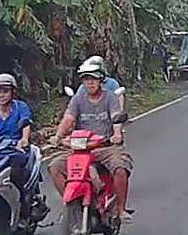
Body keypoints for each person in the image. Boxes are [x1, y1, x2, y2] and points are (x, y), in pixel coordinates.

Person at [50, 62, 134, 221]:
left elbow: (116, 117)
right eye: (86, 79)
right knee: (55, 167)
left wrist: (116, 135)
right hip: (80, 148)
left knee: (120, 168)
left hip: (105, 146)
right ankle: (73, 205)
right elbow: (68, 118)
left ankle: (120, 209)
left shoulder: (110, 98)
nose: (90, 82)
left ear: (100, 80)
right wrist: (58, 136)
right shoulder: (77, 99)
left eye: (93, 79)